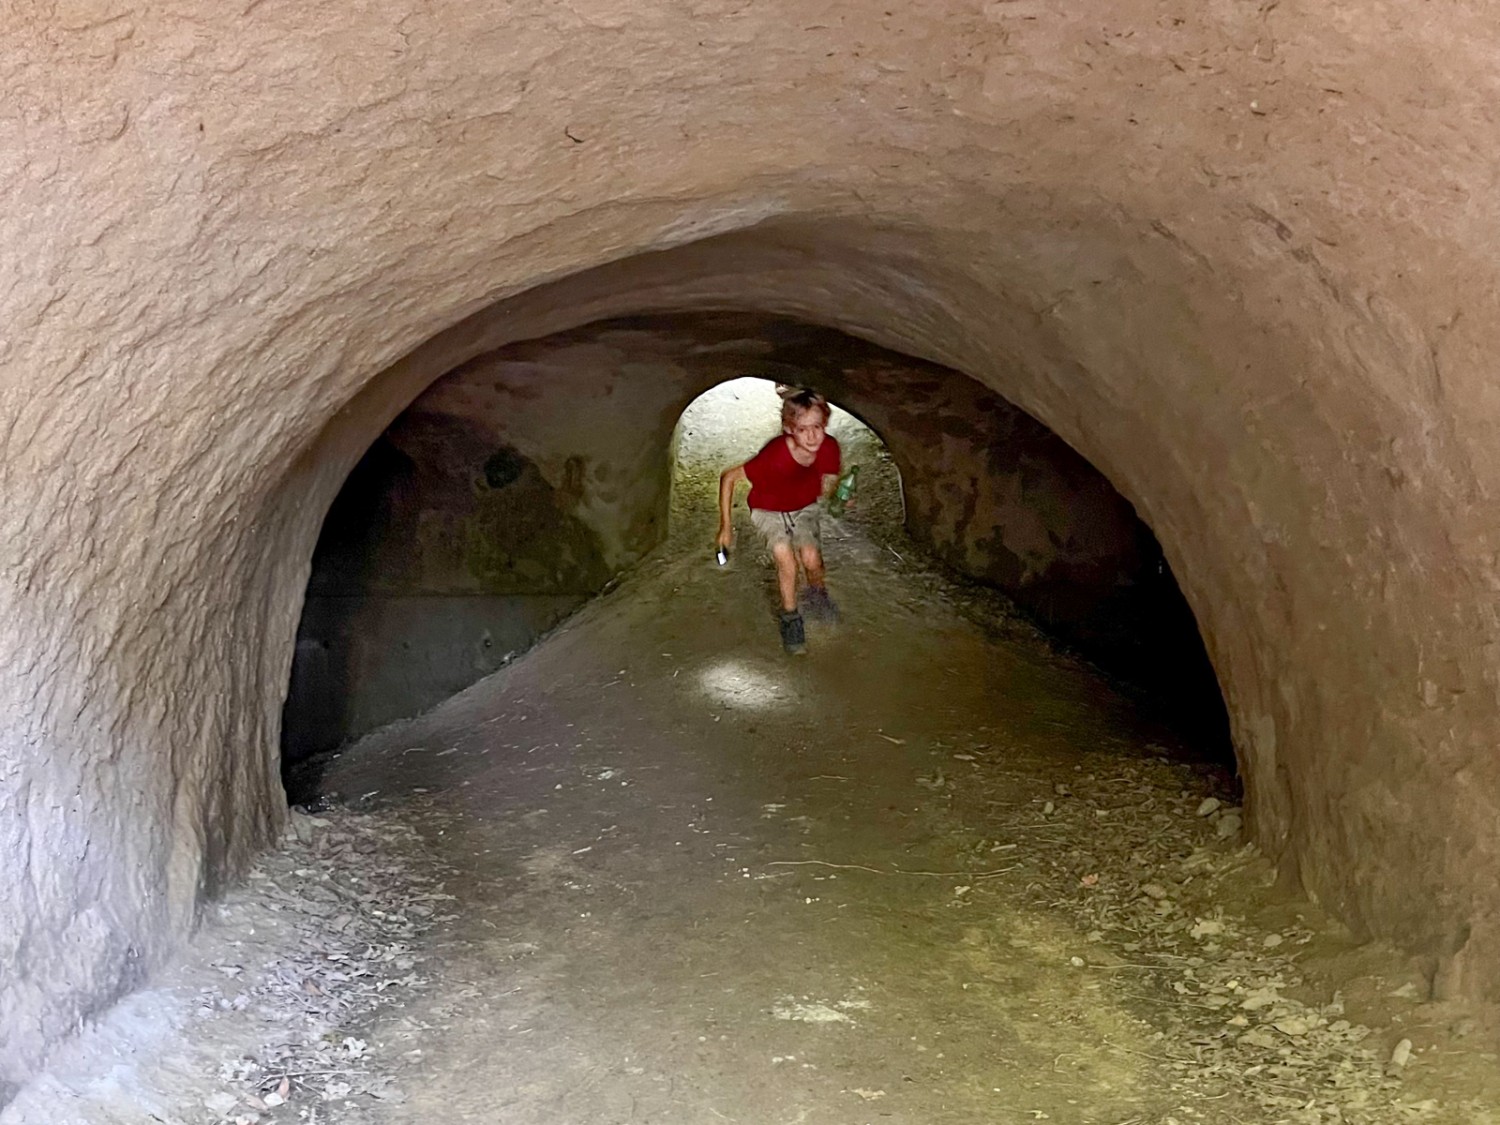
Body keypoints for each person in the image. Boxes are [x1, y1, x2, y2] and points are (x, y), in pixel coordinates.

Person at [717, 389, 844, 654]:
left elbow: (829, 484)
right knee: (785, 558)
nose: (812, 436)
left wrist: (841, 497)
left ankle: (818, 594)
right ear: (789, 429)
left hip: (803, 507)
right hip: (768, 509)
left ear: (825, 424)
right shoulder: (775, 455)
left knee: (810, 558)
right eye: (802, 429)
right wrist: (725, 528)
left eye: (817, 427)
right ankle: (791, 619)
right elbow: (729, 477)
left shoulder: (829, 447)